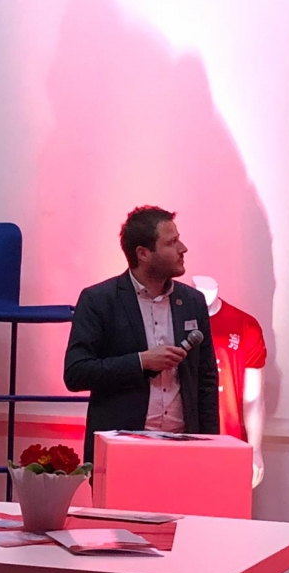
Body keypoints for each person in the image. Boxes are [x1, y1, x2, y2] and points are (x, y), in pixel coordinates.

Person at [64, 205, 219, 464]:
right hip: (122, 447)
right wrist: (141, 362)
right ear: (143, 253)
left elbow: (206, 379)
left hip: (184, 446)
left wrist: (211, 446)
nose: (183, 248)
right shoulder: (99, 300)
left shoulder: (192, 301)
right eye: (171, 242)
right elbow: (76, 373)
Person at [192, 276, 268, 487]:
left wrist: (255, 449)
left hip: (229, 440)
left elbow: (254, 397)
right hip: (181, 437)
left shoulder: (246, 326)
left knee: (225, 504)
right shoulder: (172, 319)